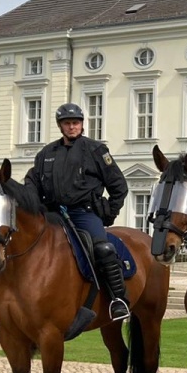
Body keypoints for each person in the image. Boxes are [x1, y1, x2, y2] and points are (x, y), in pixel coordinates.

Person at [24, 102, 131, 322]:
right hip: (53, 215)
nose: (72, 127)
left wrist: (108, 213)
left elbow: (119, 186)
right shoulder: (45, 154)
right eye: (67, 123)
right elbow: (31, 183)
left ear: (82, 125)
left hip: (84, 213)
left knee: (103, 249)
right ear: (60, 126)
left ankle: (117, 299)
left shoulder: (95, 150)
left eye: (75, 123)